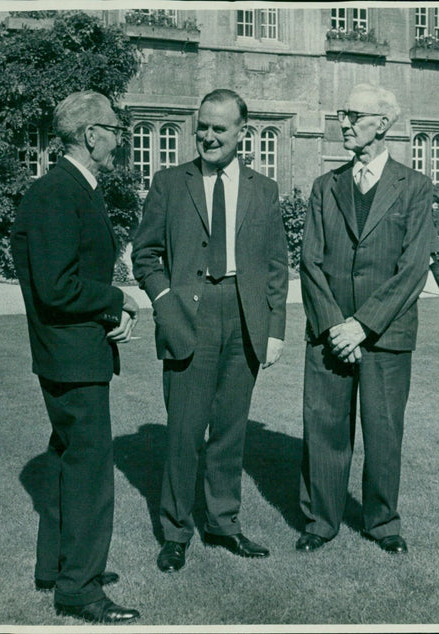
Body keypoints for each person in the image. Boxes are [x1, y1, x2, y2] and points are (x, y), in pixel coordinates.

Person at [131, 89, 289, 573]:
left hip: (244, 319)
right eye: (202, 126)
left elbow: (277, 265)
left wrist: (275, 330)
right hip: (188, 318)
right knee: (183, 432)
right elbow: (145, 256)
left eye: (220, 128)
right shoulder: (169, 182)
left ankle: (222, 524)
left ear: (243, 131)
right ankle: (176, 532)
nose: (208, 136)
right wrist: (164, 303)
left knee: (229, 432)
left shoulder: (264, 190)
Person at [11, 91, 140, 624]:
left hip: (72, 353)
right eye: (114, 128)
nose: (119, 138)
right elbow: (58, 287)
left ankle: (59, 569)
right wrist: (118, 300)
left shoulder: (69, 189)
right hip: (70, 358)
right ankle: (80, 590)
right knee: (89, 470)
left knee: (68, 459)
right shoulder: (57, 193)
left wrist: (107, 314)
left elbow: (66, 281)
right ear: (91, 134)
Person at [296, 83, 435, 556]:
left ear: (383, 123)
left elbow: (414, 266)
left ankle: (382, 521)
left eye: (353, 115)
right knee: (324, 427)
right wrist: (337, 325)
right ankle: (320, 520)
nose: (345, 123)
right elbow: (310, 261)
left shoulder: (413, 187)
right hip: (329, 335)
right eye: (342, 114)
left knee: (383, 432)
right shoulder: (324, 186)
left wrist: (363, 325)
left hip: (385, 335)